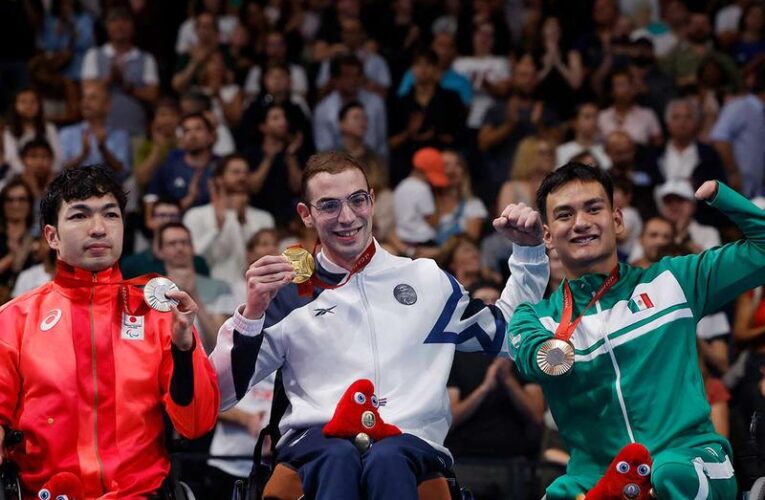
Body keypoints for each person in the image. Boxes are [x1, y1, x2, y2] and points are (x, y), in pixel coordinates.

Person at [210, 151, 550, 499]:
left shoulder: (426, 280)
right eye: (328, 206)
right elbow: (216, 395)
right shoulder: (286, 296)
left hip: (410, 448)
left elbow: (510, 334)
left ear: (372, 200)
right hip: (316, 449)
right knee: (337, 455)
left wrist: (528, 255)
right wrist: (251, 315)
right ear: (306, 215)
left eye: (357, 200)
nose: (347, 217)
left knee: (389, 457)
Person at [507, 162, 765, 498]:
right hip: (593, 476)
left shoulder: (673, 281)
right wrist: (552, 349)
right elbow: (530, 352)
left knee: (670, 473)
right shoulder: (537, 318)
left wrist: (723, 198)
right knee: (560, 492)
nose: (581, 223)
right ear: (547, 235)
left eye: (593, 209)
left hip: (691, 461)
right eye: (565, 215)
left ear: (617, 220)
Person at [0, 165, 220, 497]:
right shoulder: (14, 319)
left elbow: (196, 424)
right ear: (52, 237)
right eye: (79, 216)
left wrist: (183, 348)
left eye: (111, 215)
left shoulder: (159, 313)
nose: (99, 228)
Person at [183, 154, 275, 289]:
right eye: (235, 172)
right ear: (219, 179)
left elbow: (265, 257)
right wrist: (217, 228)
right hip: (210, 291)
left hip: (255, 289)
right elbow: (192, 256)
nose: (242, 177)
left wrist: (242, 222)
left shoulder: (264, 218)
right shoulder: (196, 215)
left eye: (246, 173)